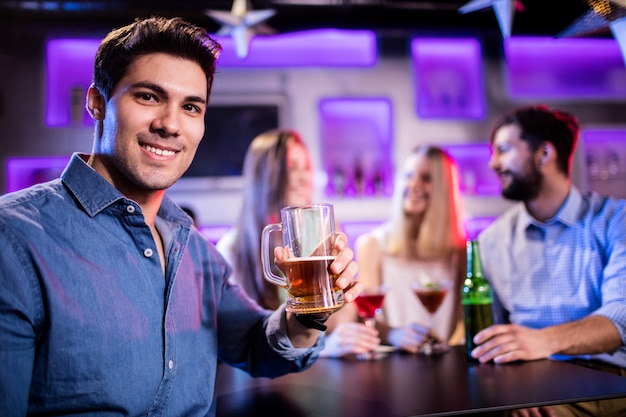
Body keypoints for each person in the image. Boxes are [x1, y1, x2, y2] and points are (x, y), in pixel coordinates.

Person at [0, 16, 362, 416]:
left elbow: (257, 346)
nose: (171, 125)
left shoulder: (195, 251)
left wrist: (307, 313)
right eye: (148, 97)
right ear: (97, 101)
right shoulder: (14, 237)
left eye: (191, 106)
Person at [474, 105, 626, 417]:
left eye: (503, 150)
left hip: (606, 378)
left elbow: (620, 320)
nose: (493, 163)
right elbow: (494, 333)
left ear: (544, 155)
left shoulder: (615, 221)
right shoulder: (492, 240)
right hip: (525, 379)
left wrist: (542, 342)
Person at [216, 128, 379, 358]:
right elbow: (241, 340)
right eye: (292, 168)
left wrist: (331, 337)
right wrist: (322, 350)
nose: (305, 178)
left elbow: (345, 310)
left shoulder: (323, 230)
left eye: (307, 167)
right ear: (265, 176)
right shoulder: (230, 250)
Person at [355, 145, 467, 353]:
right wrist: (394, 334)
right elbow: (364, 316)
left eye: (426, 178)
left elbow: (464, 321)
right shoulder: (373, 244)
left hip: (444, 362)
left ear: (445, 189)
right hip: (394, 364)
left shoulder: (459, 251)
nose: (413, 184)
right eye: (408, 175)